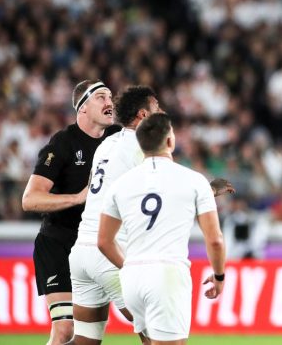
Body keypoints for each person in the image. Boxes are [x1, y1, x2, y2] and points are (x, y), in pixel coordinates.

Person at [97, 113, 226, 345]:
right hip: (167, 275)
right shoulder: (194, 180)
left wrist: (130, 266)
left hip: (132, 278)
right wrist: (219, 276)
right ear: (170, 141)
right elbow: (215, 239)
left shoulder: (120, 185)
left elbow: (104, 241)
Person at [22, 80, 119, 345]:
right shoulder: (63, 143)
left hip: (95, 247)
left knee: (91, 336)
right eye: (101, 97)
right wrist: (78, 197)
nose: (109, 102)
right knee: (65, 329)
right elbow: (30, 199)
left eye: (111, 96)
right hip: (59, 244)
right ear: (83, 107)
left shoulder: (119, 139)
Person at [69, 86, 161, 344]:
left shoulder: (106, 144)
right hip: (111, 251)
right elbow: (168, 191)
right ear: (143, 115)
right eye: (157, 107)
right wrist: (206, 192)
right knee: (159, 332)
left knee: (85, 339)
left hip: (82, 252)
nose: (162, 112)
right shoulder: (144, 145)